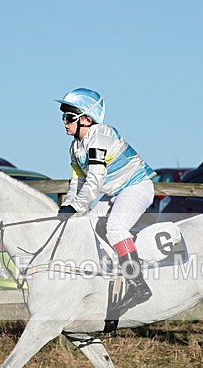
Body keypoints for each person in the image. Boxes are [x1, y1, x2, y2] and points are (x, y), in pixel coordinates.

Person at [56, 87, 156, 314]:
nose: (64, 122)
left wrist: (76, 206)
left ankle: (139, 286)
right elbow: (77, 182)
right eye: (63, 117)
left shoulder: (100, 137)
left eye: (69, 117)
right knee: (87, 225)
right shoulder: (75, 147)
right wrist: (67, 205)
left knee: (115, 228)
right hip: (115, 192)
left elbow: (94, 180)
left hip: (136, 187)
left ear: (86, 119)